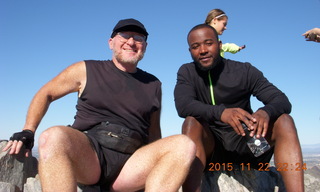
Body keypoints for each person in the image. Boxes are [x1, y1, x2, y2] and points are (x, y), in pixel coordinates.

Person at [3, 18, 196, 192]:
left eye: (138, 38)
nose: (131, 42)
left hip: (131, 164)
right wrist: (28, 130)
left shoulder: (153, 84)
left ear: (145, 46)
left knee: (184, 145)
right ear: (111, 42)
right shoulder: (86, 69)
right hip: (90, 155)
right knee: (52, 136)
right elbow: (46, 93)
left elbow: (153, 132)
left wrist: (156, 161)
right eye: (125, 35)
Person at [174, 24, 304, 192]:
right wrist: (222, 113)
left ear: (219, 45)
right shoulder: (187, 72)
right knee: (191, 123)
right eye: (195, 46)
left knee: (285, 120)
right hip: (213, 153)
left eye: (208, 43)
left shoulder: (244, 70)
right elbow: (183, 106)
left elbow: (281, 100)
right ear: (190, 51)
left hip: (250, 146)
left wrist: (266, 112)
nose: (203, 50)